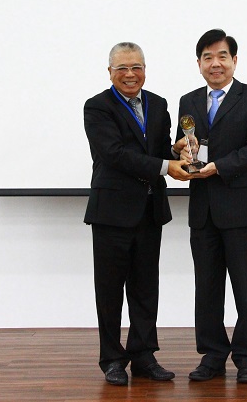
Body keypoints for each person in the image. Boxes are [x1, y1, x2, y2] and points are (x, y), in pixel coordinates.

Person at [83, 42, 191, 385]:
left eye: (136, 67)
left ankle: (144, 356)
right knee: (110, 289)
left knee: (146, 288)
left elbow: (157, 151)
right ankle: (112, 359)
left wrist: (174, 150)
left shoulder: (158, 105)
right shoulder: (97, 107)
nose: (130, 74)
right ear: (110, 72)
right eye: (122, 68)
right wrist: (165, 165)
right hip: (112, 212)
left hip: (149, 210)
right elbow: (115, 154)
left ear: (145, 68)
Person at [176, 29, 247, 384]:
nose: (214, 64)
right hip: (203, 210)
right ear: (199, 62)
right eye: (207, 57)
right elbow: (185, 143)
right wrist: (182, 152)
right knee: (207, 287)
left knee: (246, 289)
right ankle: (212, 355)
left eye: (221, 56)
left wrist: (219, 166)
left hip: (242, 207)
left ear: (234, 60)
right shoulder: (188, 100)